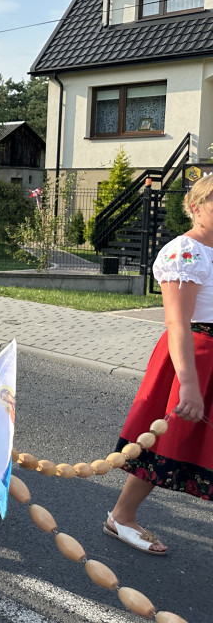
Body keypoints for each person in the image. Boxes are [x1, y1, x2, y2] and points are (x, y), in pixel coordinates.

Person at [105, 175, 213, 556]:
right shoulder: (185, 252)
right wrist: (189, 383)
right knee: (166, 440)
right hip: (195, 356)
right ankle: (122, 515)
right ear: (196, 207)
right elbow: (177, 324)